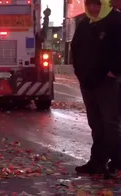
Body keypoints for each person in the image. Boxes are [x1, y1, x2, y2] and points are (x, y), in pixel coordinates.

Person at [71, 0, 121, 177]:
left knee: (110, 123)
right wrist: (79, 73)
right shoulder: (85, 23)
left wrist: (114, 71)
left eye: (97, 5)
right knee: (96, 124)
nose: (93, 9)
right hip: (88, 82)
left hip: (106, 82)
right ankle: (97, 162)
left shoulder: (115, 20)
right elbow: (75, 49)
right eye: (90, 5)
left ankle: (117, 163)